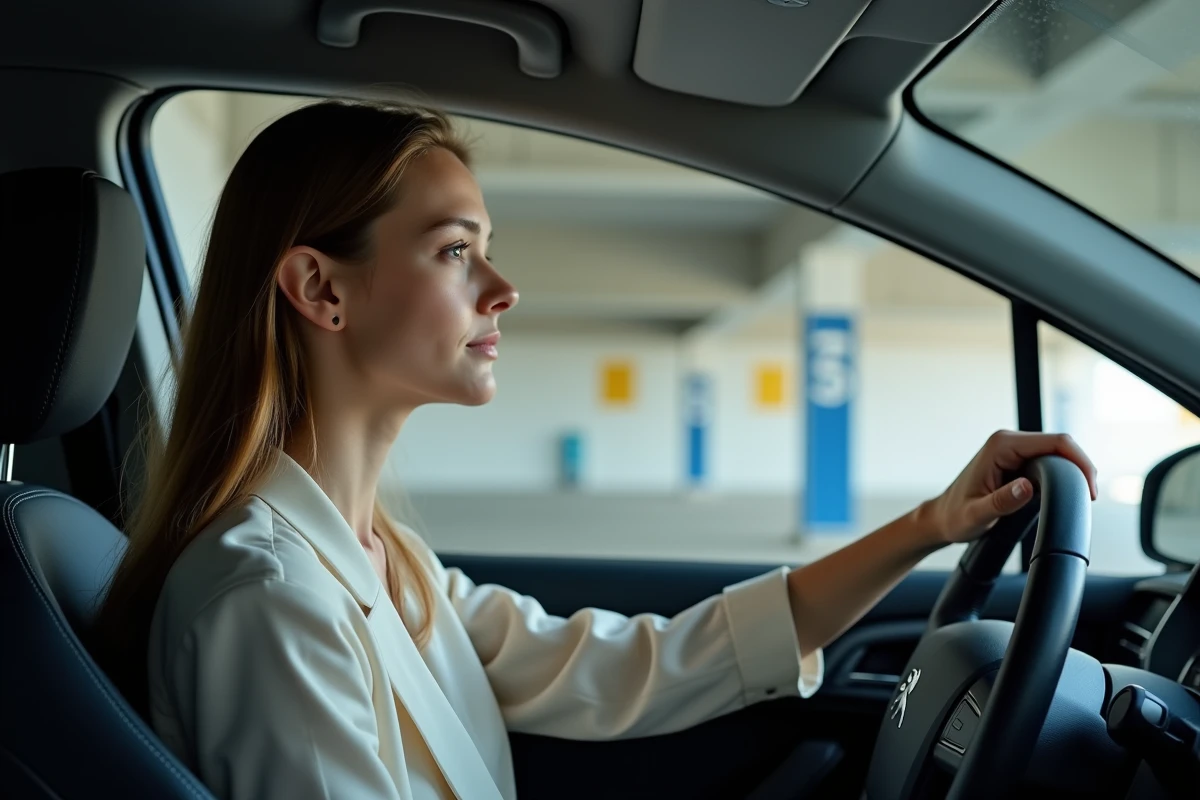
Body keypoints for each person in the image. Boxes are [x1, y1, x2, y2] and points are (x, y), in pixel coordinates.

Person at [94, 101, 1098, 800]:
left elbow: (638, 667)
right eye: (455, 249)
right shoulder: (269, 600)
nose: (502, 288)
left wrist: (930, 524)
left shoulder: (381, 559)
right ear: (322, 289)